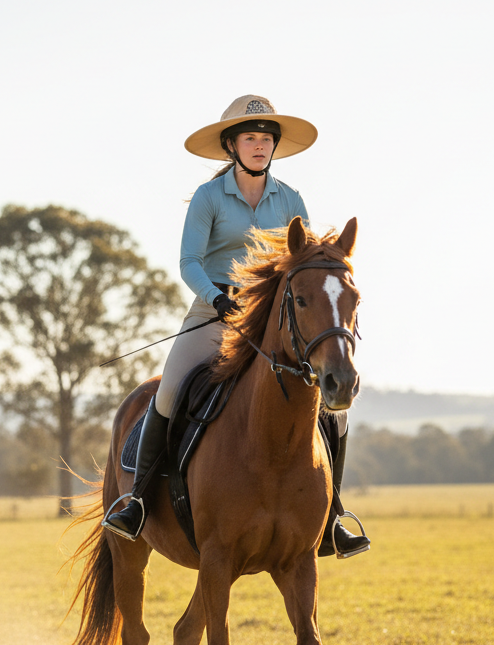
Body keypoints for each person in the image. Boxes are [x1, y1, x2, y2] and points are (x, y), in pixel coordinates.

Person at [103, 95, 369, 558]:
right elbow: (188, 262)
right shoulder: (209, 198)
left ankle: (332, 516)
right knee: (168, 392)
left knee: (336, 412)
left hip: (274, 318)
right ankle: (137, 501)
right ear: (231, 145)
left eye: (267, 139)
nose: (260, 145)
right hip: (215, 311)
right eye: (251, 137)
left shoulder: (291, 199)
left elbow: (302, 264)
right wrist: (217, 298)